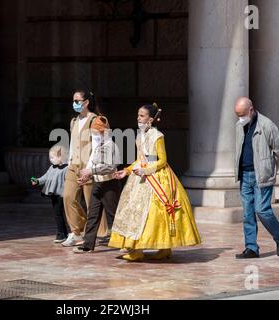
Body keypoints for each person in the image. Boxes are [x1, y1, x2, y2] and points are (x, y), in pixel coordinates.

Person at [109, 103, 202, 262]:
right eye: (138, 115)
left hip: (156, 176)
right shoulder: (139, 135)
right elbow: (139, 159)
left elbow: (163, 160)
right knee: (135, 211)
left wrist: (146, 170)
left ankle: (158, 248)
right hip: (139, 176)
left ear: (151, 119)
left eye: (142, 116)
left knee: (155, 213)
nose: (138, 118)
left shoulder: (157, 136)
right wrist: (127, 171)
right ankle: (140, 248)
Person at [234, 97, 279, 259]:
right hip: (244, 175)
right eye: (237, 115)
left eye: (242, 114)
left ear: (251, 110)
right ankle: (251, 248)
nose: (240, 118)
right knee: (247, 214)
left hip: (261, 176)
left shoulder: (267, 125)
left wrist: (270, 169)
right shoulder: (239, 126)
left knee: (262, 210)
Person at [62, 90, 108, 247]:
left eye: (77, 100)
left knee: (91, 202)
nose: (74, 103)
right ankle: (76, 231)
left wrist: (90, 169)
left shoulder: (95, 120)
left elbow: (98, 146)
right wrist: (69, 162)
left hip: (89, 166)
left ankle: (98, 233)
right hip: (74, 165)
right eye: (73, 100)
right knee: (68, 196)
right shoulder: (74, 121)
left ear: (86, 102)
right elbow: (72, 143)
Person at [73, 116, 121, 253]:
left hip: (109, 185)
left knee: (114, 215)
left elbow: (110, 167)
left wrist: (90, 171)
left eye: (96, 132)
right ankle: (88, 244)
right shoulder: (98, 146)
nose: (94, 135)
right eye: (93, 132)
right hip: (98, 184)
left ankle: (126, 243)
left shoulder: (111, 146)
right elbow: (93, 163)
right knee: (93, 214)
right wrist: (85, 176)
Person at [31, 145, 69, 243]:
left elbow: (69, 182)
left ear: (60, 157)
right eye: (50, 157)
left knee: (63, 214)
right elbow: (46, 177)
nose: (50, 160)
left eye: (52, 157)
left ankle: (66, 233)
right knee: (58, 214)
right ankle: (62, 233)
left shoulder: (66, 169)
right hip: (54, 195)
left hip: (63, 195)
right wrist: (38, 181)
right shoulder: (52, 167)